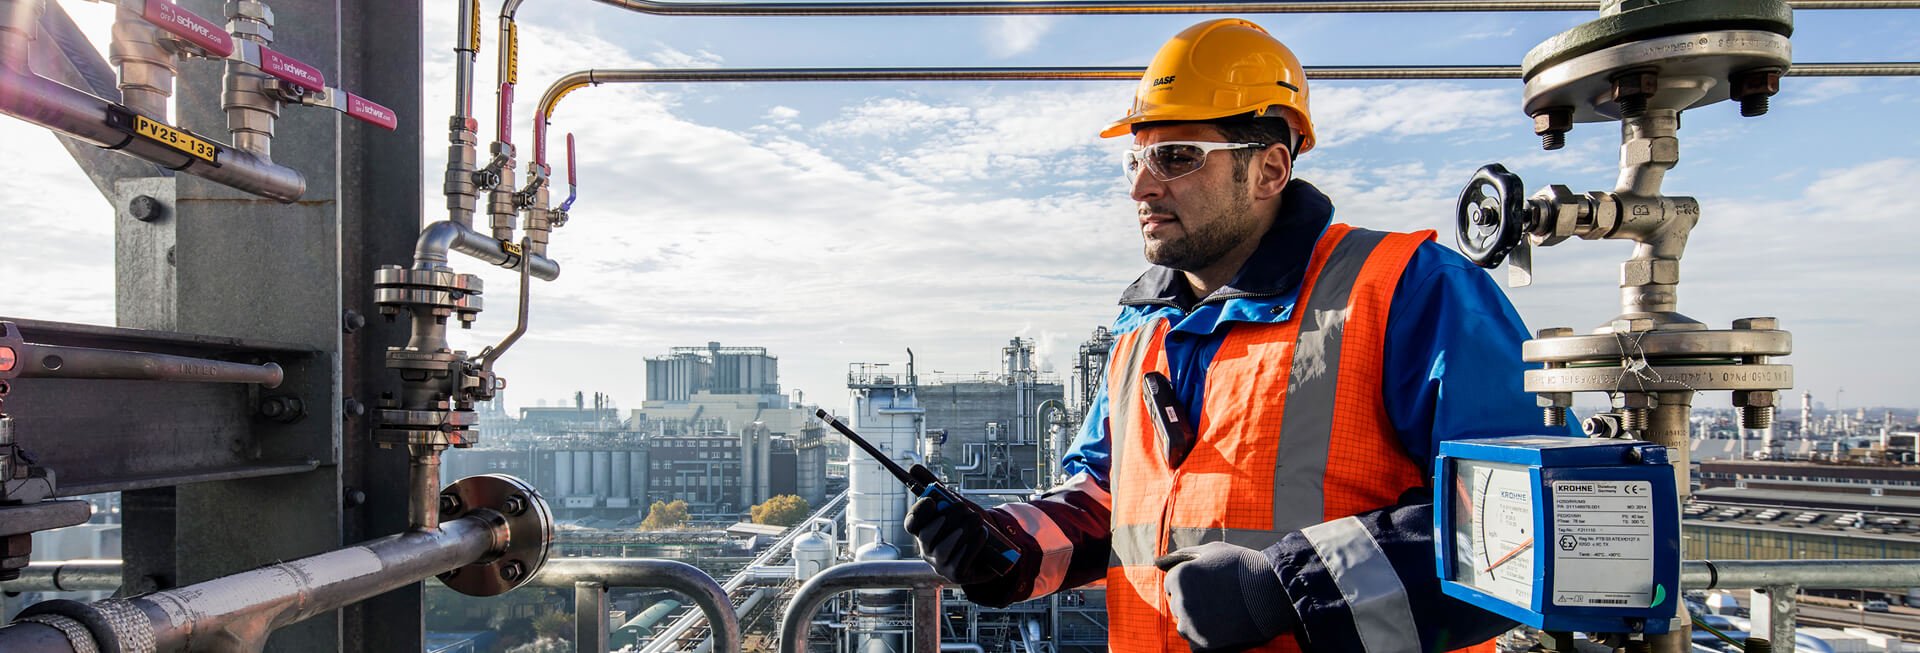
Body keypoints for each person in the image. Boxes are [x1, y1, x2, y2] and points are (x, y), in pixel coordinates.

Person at [904, 18, 1573, 653]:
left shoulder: (1406, 292)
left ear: (1270, 170)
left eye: (1175, 156)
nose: (1141, 184)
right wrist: (1008, 544)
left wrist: (1289, 589)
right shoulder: (1142, 330)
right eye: (1136, 158)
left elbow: (1535, 525)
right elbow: (1112, 505)